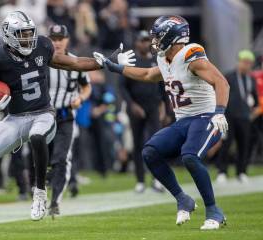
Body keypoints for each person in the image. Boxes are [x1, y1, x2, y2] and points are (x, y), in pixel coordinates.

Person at [0, 11, 135, 227]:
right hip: (15, 117)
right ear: (9, 35)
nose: (28, 38)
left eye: (30, 33)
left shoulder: (42, 46)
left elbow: (73, 63)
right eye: (22, 34)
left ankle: (39, 192)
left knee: (37, 136)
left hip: (43, 113)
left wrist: (106, 62)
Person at [94, 15, 229, 230]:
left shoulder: (191, 55)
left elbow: (221, 82)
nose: (153, 41)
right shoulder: (164, 58)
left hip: (206, 117)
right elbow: (148, 74)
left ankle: (214, 210)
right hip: (183, 120)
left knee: (190, 156)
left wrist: (219, 111)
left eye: (157, 36)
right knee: (150, 152)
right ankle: (182, 198)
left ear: (172, 36)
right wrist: (115, 68)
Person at [46, 24, 92, 217]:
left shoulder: (75, 62)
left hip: (65, 115)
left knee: (61, 158)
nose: (57, 42)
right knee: (42, 160)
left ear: (67, 40)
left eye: (60, 38)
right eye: (53, 39)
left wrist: (80, 98)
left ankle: (55, 200)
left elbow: (87, 87)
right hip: (42, 116)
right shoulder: (42, 61)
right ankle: (39, 192)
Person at [120, 30, 164, 193]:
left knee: (156, 144)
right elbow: (122, 86)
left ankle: (157, 179)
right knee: (138, 144)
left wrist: (164, 107)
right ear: (137, 43)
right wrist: (132, 105)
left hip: (153, 106)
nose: (146, 43)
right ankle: (140, 180)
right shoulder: (131, 60)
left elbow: (162, 86)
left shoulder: (155, 60)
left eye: (147, 40)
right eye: (142, 40)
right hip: (136, 107)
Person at [216, 50, 259, 184]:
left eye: (249, 63)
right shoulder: (229, 76)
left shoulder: (251, 79)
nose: (246, 65)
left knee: (244, 145)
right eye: (244, 62)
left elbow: (255, 99)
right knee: (226, 144)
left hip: (245, 117)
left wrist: (252, 111)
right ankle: (222, 171)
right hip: (229, 115)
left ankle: (242, 171)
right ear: (239, 62)